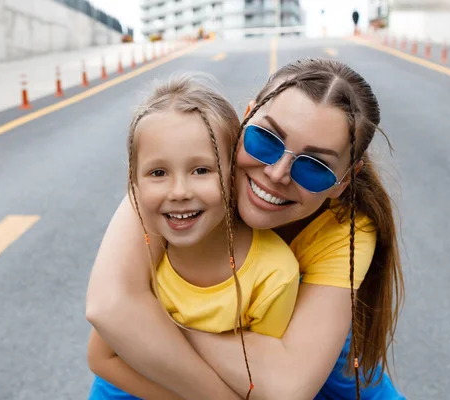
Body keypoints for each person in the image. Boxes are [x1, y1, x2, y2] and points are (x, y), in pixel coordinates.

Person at [86, 58, 405, 399]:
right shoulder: (186, 177)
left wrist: (162, 317)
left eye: (314, 166)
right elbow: (109, 309)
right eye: (265, 140)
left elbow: (289, 386)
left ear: (345, 180)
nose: (277, 173)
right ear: (247, 118)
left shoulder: (345, 227)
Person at [87, 76, 300, 399]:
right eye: (158, 173)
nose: (179, 192)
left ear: (233, 176)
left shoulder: (274, 274)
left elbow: (257, 382)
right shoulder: (144, 251)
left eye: (201, 170)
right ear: (135, 185)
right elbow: (101, 358)